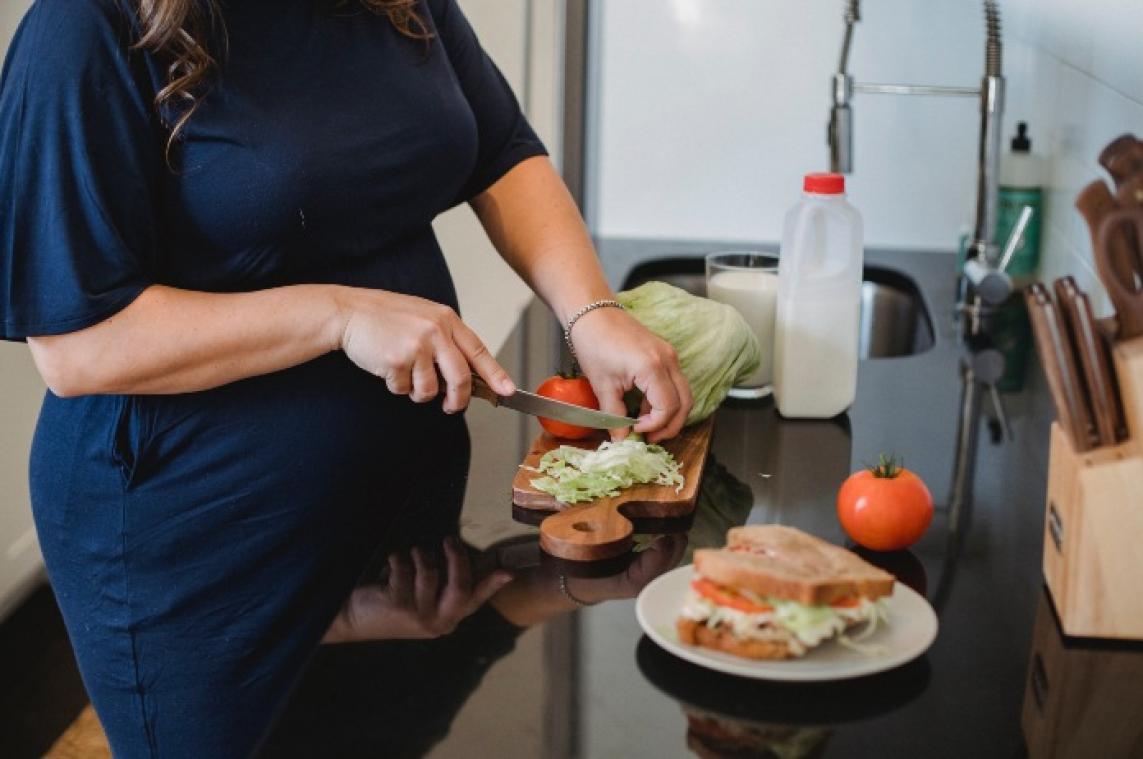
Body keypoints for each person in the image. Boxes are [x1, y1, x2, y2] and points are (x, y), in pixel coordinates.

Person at [0, 0, 693, 756]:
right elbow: (76, 344)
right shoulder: (83, 26)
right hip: (202, 546)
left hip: (403, 510)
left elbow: (499, 147)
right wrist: (338, 316)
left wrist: (590, 310)